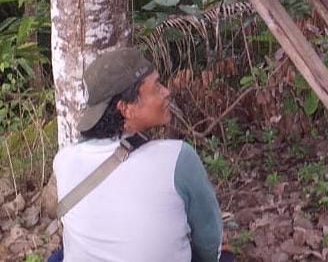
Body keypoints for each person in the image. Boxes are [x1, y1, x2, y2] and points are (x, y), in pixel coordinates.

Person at [51, 46, 228, 262]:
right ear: (126, 109)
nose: (166, 92)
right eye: (156, 87)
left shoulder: (63, 160)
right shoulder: (178, 159)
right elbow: (210, 242)